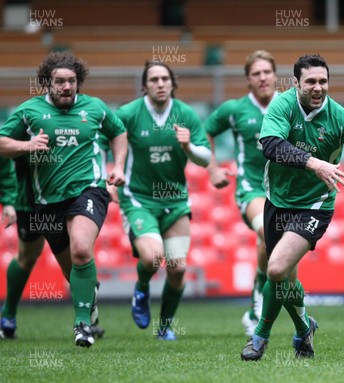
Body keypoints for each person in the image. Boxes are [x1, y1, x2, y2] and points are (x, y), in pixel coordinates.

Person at [240, 54, 344, 361]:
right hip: (277, 201)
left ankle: (259, 336)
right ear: (296, 83)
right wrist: (314, 163)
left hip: (315, 206)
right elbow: (271, 145)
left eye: (323, 81)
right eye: (310, 81)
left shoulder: (340, 116)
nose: (317, 87)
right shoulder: (283, 105)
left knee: (275, 268)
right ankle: (304, 328)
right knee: (285, 279)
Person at [0, 51, 127, 347]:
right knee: (54, 264)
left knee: (82, 249)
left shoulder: (95, 108)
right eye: (59, 82)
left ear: (78, 83)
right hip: (42, 201)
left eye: (71, 81)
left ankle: (82, 325)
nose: (66, 87)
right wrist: (27, 145)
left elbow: (118, 132)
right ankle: (12, 312)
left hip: (89, 190)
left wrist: (118, 167)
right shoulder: (29, 111)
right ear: (47, 83)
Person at [116, 61, 210, 341]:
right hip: (139, 198)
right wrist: (112, 172)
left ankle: (165, 327)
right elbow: (106, 140)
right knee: (152, 257)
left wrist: (188, 146)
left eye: (165, 79)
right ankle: (142, 288)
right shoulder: (129, 114)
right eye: (154, 79)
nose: (160, 84)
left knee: (178, 268)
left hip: (176, 201)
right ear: (145, 85)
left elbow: (204, 158)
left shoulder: (185, 114)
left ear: (172, 83)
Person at [204, 50, 277, 336]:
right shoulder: (234, 110)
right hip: (252, 188)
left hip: (285, 191)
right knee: (266, 231)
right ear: (248, 79)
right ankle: (259, 301)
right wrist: (212, 168)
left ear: (275, 75)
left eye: (267, 72)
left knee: (279, 250)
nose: (262, 78)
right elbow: (204, 131)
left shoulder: (289, 105)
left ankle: (258, 298)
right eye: (256, 73)